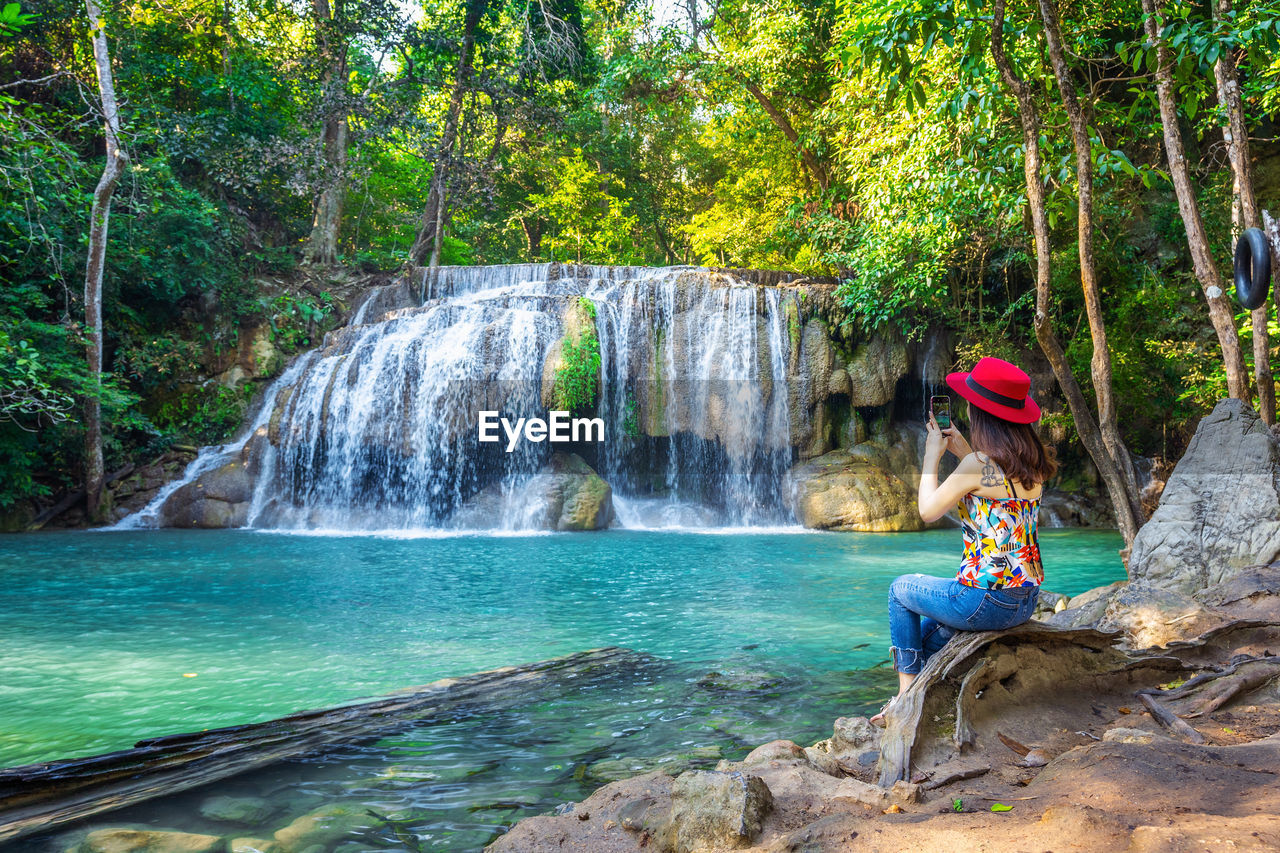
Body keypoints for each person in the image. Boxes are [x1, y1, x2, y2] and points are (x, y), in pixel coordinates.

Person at [870, 356, 1057, 726]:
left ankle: (906, 699)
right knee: (920, 640)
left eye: (972, 402)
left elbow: (928, 510)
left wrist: (930, 456)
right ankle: (920, 695)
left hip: (981, 599)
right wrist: (961, 449)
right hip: (1022, 600)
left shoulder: (977, 466)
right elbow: (994, 479)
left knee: (899, 590)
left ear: (982, 413)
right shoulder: (1032, 464)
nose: (968, 407)